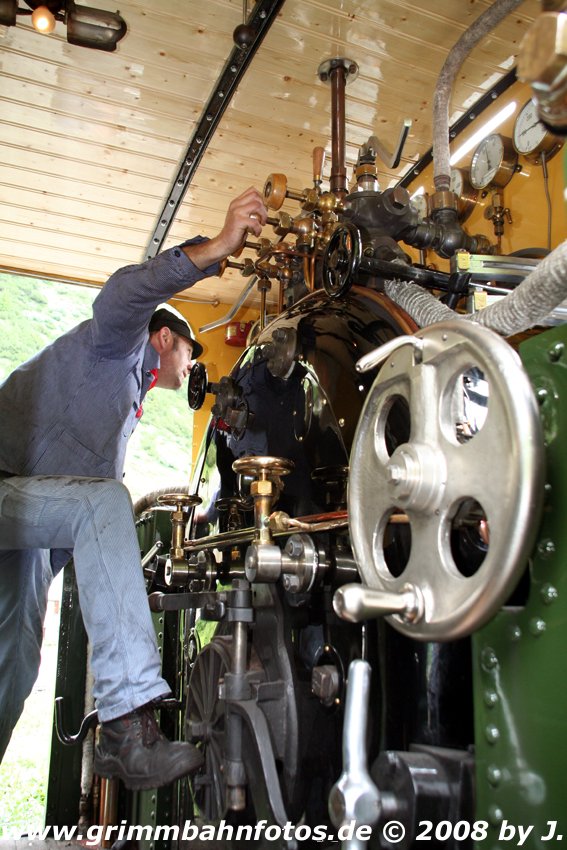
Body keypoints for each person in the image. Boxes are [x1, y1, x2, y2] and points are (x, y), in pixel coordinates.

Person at [0, 186, 268, 788]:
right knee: (102, 504)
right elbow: (127, 290)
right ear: (165, 337)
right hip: (6, 489)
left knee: (14, 664)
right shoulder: (114, 342)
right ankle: (126, 726)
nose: (194, 368)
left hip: (26, 533)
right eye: (192, 352)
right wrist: (216, 248)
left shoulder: (129, 403)